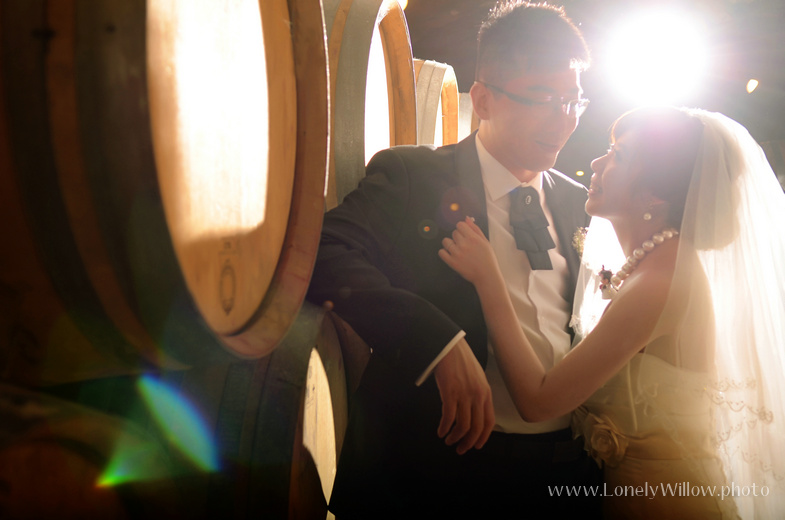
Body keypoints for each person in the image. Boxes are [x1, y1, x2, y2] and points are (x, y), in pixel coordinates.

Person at [307, 1, 602, 517]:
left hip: (562, 475)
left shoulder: (582, 203)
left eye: (574, 100)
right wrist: (436, 341)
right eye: (544, 98)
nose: (565, 119)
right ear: (483, 100)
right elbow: (324, 250)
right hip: (432, 470)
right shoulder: (415, 176)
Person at [440, 106, 785, 518]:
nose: (596, 163)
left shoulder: (661, 283)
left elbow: (539, 402)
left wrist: (489, 280)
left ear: (655, 194)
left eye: (617, 155)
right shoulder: (652, 264)